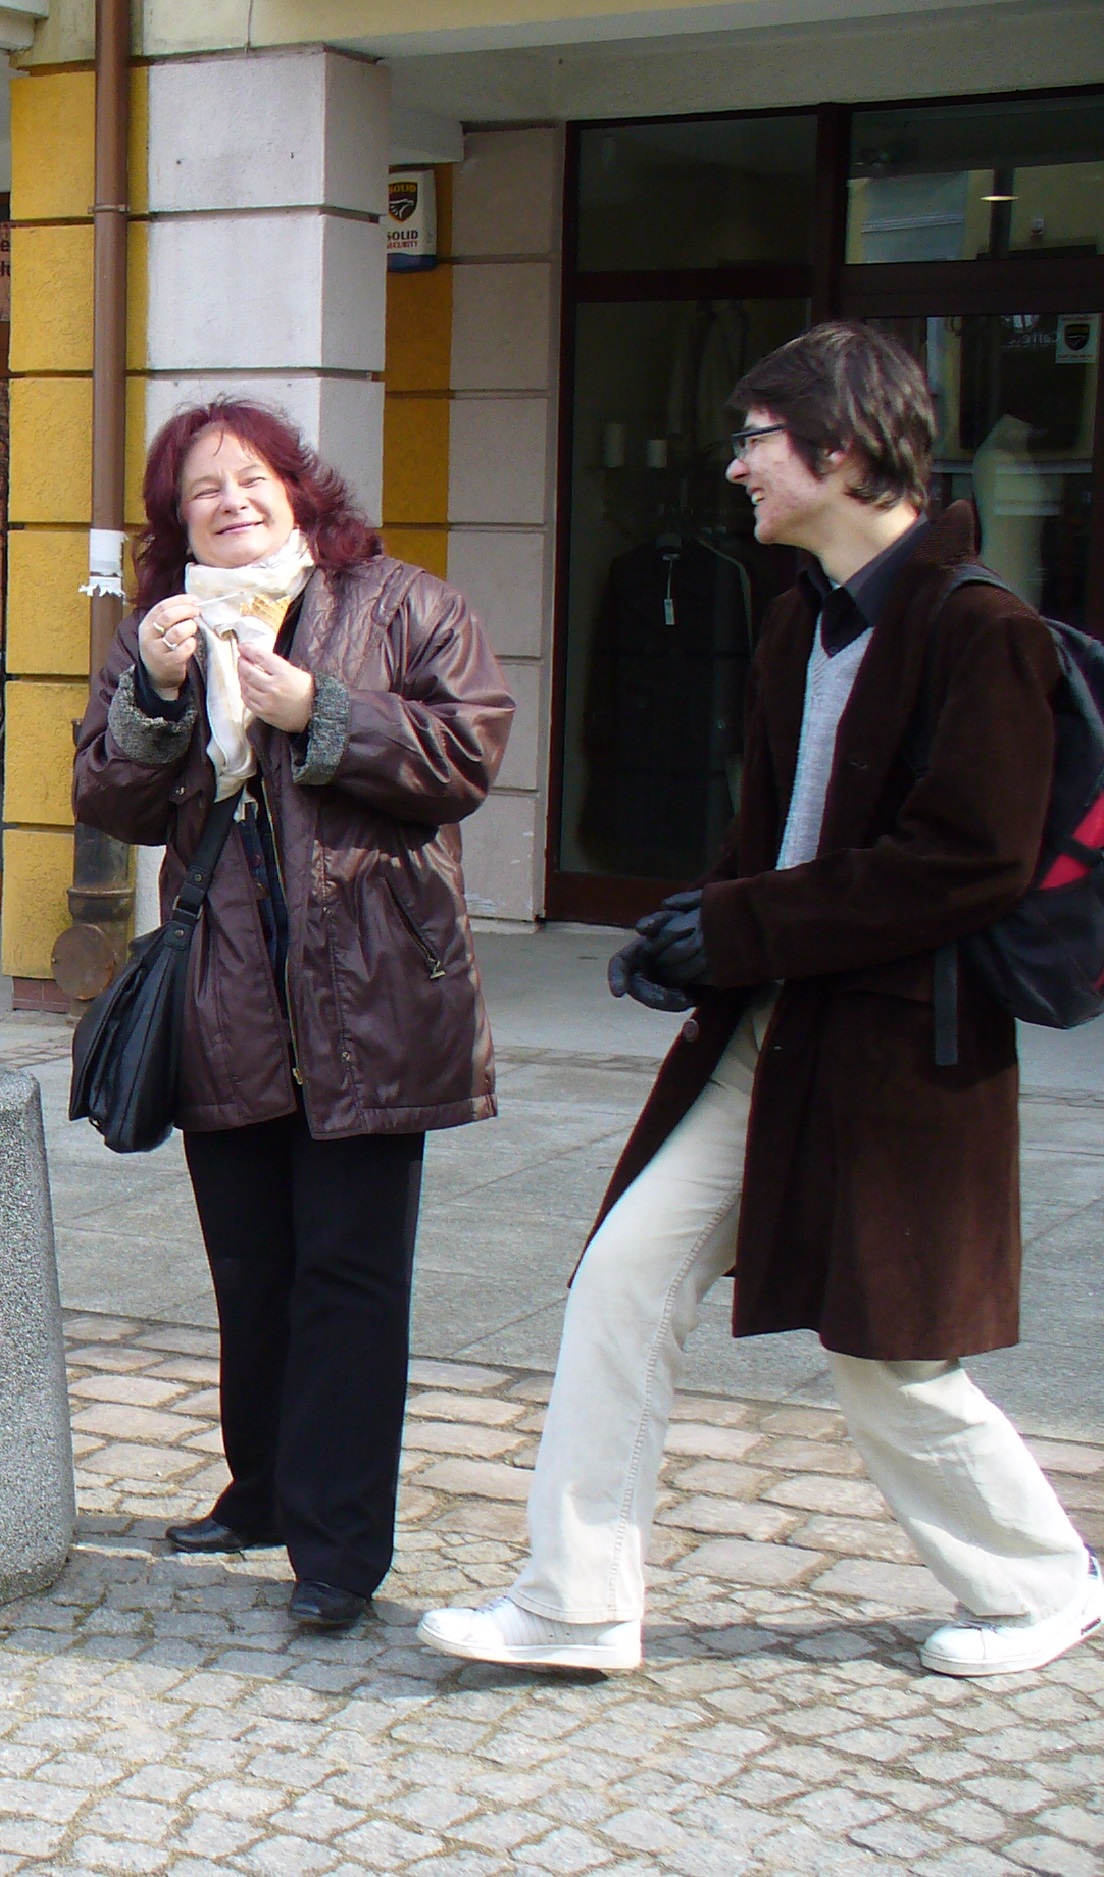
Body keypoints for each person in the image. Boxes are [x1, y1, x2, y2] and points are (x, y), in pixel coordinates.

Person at [421, 322, 1102, 1679]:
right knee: (620, 1282)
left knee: (889, 1356)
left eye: (755, 441)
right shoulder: (800, 620)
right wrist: (693, 938)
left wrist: (737, 928)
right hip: (769, 1037)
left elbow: (960, 864)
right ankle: (577, 1601)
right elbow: (777, 839)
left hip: (901, 1057)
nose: (734, 467)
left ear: (840, 451)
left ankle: (1043, 1584)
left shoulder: (983, 631)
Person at [74, 401, 512, 1632]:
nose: (229, 502)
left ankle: (337, 1549)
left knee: (349, 1279)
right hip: (225, 991)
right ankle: (261, 1487)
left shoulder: (402, 604)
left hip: (370, 988)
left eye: (249, 478)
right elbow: (106, 797)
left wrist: (317, 710)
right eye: (200, 490)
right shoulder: (160, 631)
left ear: (297, 488)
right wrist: (157, 693)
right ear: (175, 521)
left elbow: (465, 753)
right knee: (250, 1268)